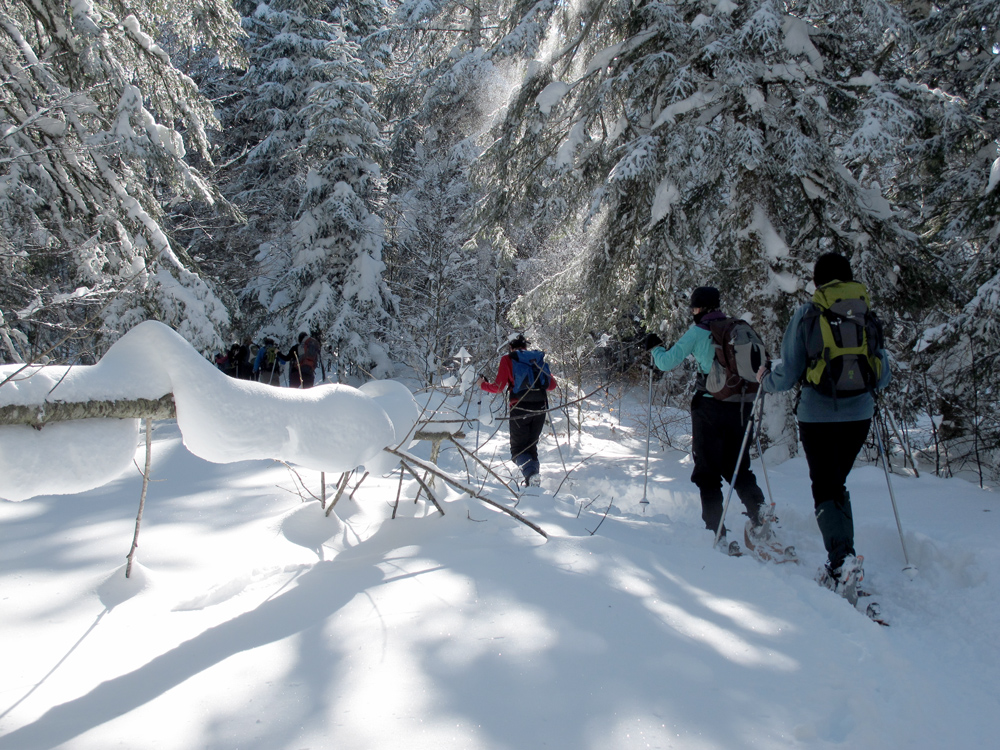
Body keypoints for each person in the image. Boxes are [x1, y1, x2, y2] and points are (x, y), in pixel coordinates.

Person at [756, 253, 891, 589]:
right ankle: (844, 556)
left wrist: (765, 380)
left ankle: (841, 561)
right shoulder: (866, 314)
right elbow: (883, 374)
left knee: (825, 486)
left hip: (817, 417)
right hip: (859, 414)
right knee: (836, 484)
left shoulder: (807, 314)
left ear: (817, 281)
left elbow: (788, 374)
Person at [645, 286, 767, 549]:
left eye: (693, 308)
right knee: (738, 467)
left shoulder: (699, 331)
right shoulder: (737, 327)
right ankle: (760, 513)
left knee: (707, 472)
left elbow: (666, 363)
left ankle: (716, 530)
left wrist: (655, 348)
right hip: (741, 406)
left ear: (699, 308)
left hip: (710, 408)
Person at [477, 334, 557, 487]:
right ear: (525, 347)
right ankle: (533, 480)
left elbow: (499, 387)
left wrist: (482, 384)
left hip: (520, 409)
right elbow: (552, 385)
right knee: (531, 447)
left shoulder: (508, 359)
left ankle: (531, 475)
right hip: (540, 408)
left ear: (511, 347)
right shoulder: (536, 360)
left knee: (518, 451)